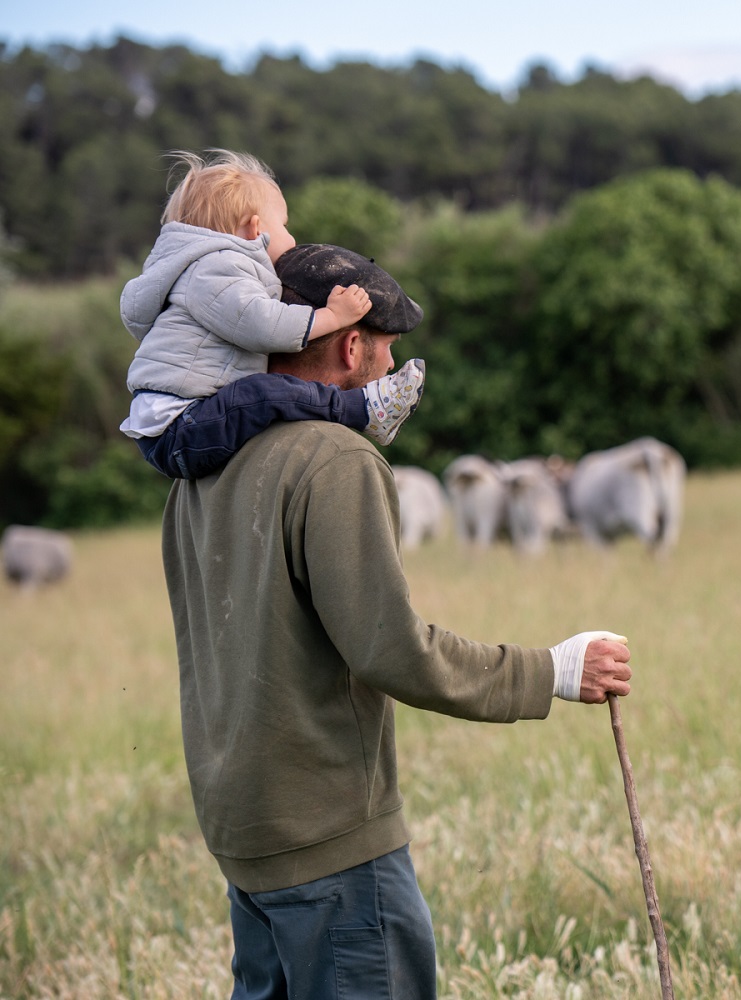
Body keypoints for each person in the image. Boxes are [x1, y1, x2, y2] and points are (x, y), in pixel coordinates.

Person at [160, 243, 633, 999]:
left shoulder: (198, 469)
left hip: (245, 833)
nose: (389, 372)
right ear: (351, 346)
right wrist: (555, 670)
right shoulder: (333, 459)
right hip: (330, 842)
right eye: (385, 352)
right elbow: (391, 649)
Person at [120, 148, 425, 480]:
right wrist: (333, 317)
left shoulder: (207, 272)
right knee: (262, 393)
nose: (291, 238)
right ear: (254, 229)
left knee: (258, 394)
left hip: (178, 424)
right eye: (284, 225)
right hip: (181, 424)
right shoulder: (216, 269)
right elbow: (266, 325)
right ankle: (364, 409)